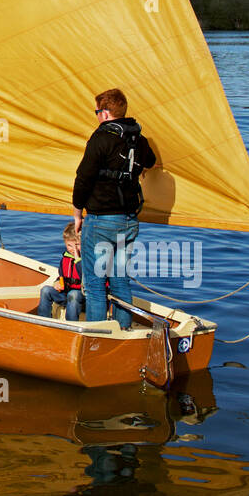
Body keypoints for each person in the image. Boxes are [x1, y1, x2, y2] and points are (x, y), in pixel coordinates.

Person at [72, 88, 155, 330]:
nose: (96, 116)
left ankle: (99, 336)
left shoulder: (100, 139)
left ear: (106, 113)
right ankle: (124, 331)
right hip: (128, 221)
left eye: (97, 112)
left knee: (95, 285)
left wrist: (78, 214)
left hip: (100, 222)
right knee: (119, 281)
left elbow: (83, 178)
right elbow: (149, 162)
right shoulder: (139, 140)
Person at [38, 223, 84, 320]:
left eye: (77, 245)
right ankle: (43, 320)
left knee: (73, 294)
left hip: (82, 297)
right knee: (46, 290)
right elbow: (61, 276)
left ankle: (70, 325)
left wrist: (77, 259)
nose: (73, 249)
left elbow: (84, 276)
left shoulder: (86, 259)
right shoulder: (65, 259)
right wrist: (57, 282)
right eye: (69, 245)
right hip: (66, 294)